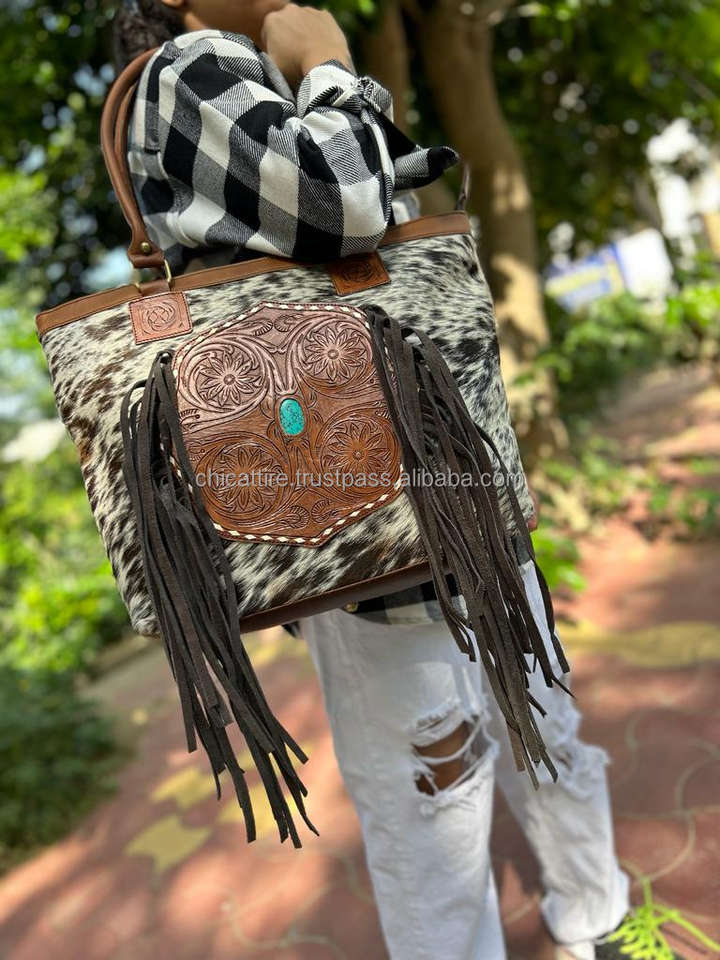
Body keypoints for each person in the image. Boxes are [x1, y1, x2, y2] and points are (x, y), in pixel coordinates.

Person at [111, 3, 689, 958]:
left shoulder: (251, 74)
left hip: (418, 503)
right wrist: (330, 61)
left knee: (529, 725)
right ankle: (597, 916)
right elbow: (344, 203)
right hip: (368, 522)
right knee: (439, 794)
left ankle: (599, 915)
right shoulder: (188, 68)